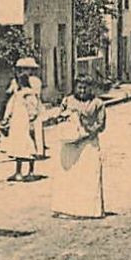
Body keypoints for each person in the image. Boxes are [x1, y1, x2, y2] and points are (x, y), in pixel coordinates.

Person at [51, 77, 107, 219]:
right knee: (68, 176)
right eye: (79, 87)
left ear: (91, 88)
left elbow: (101, 125)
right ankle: (66, 208)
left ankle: (88, 210)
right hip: (69, 144)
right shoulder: (67, 101)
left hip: (88, 143)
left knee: (88, 176)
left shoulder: (97, 104)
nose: (82, 91)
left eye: (85, 88)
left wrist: (86, 132)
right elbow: (58, 118)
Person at [1, 64, 43, 181]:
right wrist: (7, 119)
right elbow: (11, 106)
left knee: (28, 145)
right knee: (18, 146)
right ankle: (18, 172)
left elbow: (32, 109)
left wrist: (31, 121)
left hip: (25, 122)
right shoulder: (18, 93)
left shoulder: (29, 93)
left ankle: (31, 171)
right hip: (17, 122)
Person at [8, 57, 47, 158]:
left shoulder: (35, 81)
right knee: (23, 129)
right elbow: (11, 92)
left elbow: (35, 94)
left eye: (27, 68)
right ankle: (23, 150)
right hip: (20, 106)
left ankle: (38, 151)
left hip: (32, 104)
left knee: (36, 127)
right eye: (23, 68)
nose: (25, 71)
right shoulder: (16, 80)